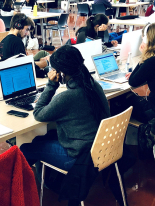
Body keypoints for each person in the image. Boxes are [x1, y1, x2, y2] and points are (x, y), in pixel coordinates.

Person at [20, 45, 109, 174]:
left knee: (25, 149)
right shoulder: (93, 85)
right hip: (100, 148)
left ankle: (21, 187)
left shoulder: (67, 97)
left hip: (78, 157)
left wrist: (51, 84)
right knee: (40, 140)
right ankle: (50, 180)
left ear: (61, 72)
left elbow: (38, 113)